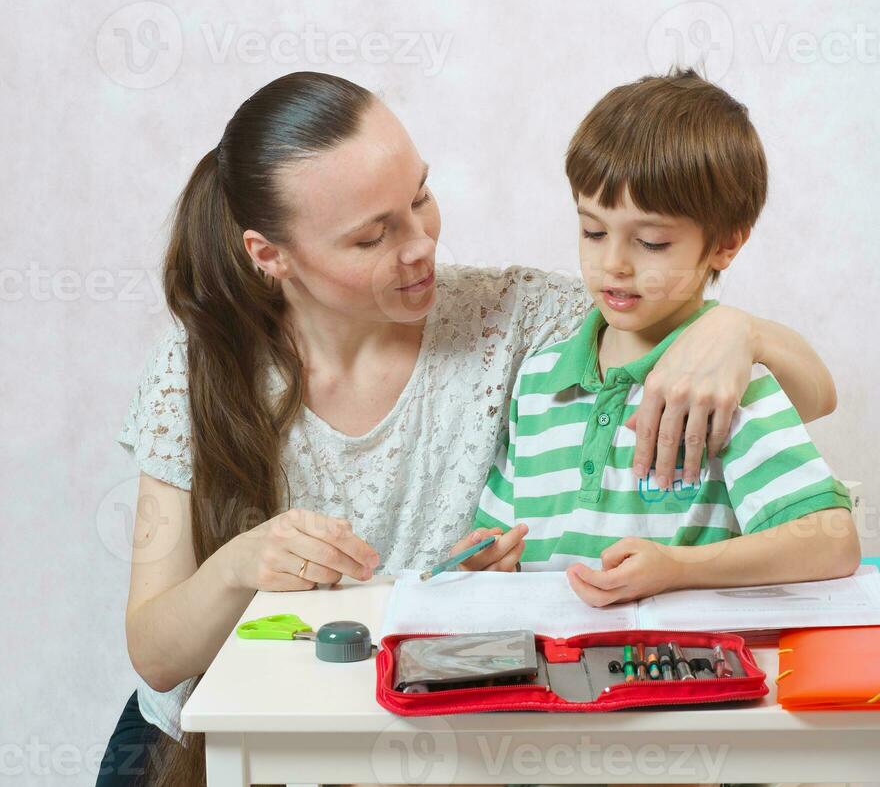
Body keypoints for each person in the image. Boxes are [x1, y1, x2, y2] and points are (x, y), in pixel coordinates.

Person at [98, 71, 840, 786]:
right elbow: (156, 655)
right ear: (271, 256)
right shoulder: (195, 370)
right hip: (208, 739)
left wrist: (737, 331)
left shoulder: (513, 319)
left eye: (421, 198)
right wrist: (239, 564)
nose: (421, 244)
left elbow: (793, 394)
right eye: (372, 238)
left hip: (414, 738)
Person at [468, 69, 859, 603]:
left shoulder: (725, 384)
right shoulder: (538, 380)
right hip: (550, 669)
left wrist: (678, 567)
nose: (614, 264)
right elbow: (501, 537)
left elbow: (831, 543)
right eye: (593, 231)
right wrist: (490, 561)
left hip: (677, 670)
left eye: (650, 242)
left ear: (723, 245)